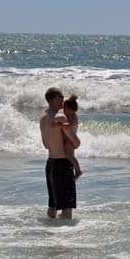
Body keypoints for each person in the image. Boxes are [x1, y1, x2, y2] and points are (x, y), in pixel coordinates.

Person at [40, 87, 80, 219]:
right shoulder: (61, 117)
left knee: (53, 205)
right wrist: (77, 141)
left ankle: (49, 231)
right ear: (53, 98)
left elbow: (46, 145)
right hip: (62, 164)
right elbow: (75, 143)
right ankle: (64, 238)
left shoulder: (43, 118)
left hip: (50, 163)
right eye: (61, 97)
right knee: (67, 208)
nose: (63, 100)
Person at [55, 94, 83, 180]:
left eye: (64, 109)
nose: (63, 110)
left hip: (71, 140)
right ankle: (76, 170)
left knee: (69, 155)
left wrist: (58, 124)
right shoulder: (69, 115)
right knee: (69, 155)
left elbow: (68, 126)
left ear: (69, 109)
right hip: (69, 139)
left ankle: (78, 171)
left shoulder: (73, 117)